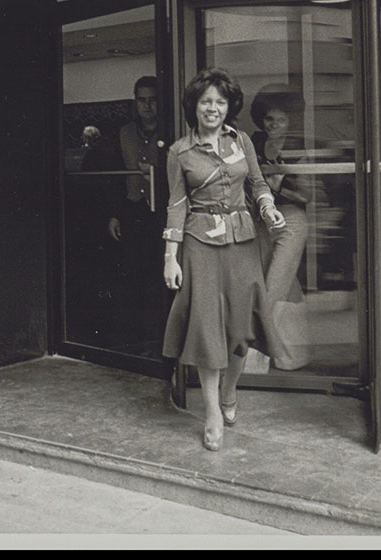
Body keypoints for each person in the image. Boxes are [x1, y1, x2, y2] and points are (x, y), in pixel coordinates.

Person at [162, 68, 285, 451]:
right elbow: (177, 205)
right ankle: (212, 410)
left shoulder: (242, 141)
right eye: (205, 102)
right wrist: (171, 257)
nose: (212, 108)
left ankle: (231, 389)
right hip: (199, 245)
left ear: (229, 106)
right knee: (207, 327)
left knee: (240, 328)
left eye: (219, 102)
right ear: (194, 107)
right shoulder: (180, 152)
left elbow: (258, 184)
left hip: (243, 241)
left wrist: (268, 209)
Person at [249, 85, 314, 371]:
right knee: (286, 288)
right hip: (263, 223)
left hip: (291, 221)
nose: (274, 126)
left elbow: (306, 196)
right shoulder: (254, 143)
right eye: (269, 120)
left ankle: (253, 357)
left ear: (291, 120)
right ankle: (293, 356)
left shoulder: (299, 147)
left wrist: (278, 188)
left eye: (281, 120)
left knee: (271, 289)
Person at [102, 76, 168, 354]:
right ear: (135, 102)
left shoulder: (170, 130)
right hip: (132, 209)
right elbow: (118, 175)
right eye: (142, 99)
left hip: (162, 211)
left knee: (158, 275)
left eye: (152, 99)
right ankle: (130, 340)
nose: (147, 105)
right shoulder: (125, 132)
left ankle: (157, 339)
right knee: (131, 274)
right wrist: (114, 214)